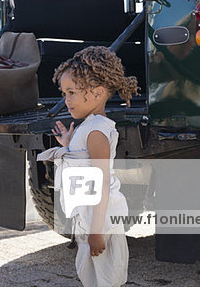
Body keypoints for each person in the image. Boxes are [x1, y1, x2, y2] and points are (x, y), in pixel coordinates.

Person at [37, 46, 138, 287]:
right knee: (89, 273)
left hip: (99, 219)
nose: (66, 100)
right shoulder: (89, 128)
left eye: (72, 92)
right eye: (64, 93)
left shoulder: (96, 132)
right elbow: (85, 162)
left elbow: (101, 182)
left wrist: (96, 232)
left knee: (105, 277)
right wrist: (70, 144)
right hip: (90, 216)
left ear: (97, 92)